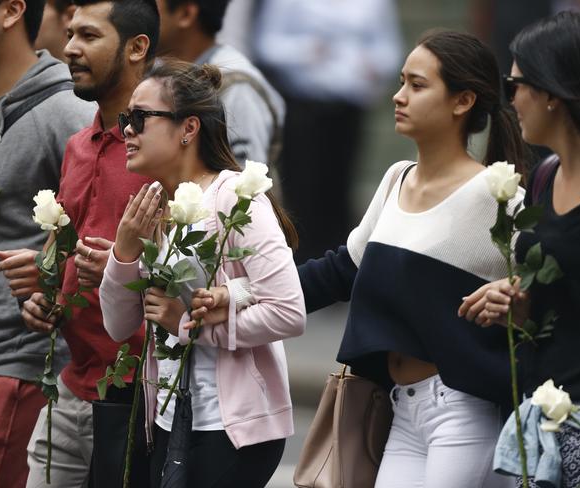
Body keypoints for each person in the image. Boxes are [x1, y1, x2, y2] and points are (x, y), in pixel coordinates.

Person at [193, 30, 531, 487]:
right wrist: (237, 294)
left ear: (462, 101)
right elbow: (338, 273)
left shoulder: (497, 195)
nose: (398, 96)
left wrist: (517, 297)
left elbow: (551, 291)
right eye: (400, 81)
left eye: (417, 85)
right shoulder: (396, 178)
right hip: (397, 407)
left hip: (463, 409)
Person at [99, 59, 305, 488]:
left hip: (232, 429)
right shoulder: (153, 203)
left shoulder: (234, 197)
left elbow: (289, 311)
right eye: (125, 119)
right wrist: (123, 251)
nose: (127, 131)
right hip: (171, 418)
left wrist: (188, 325)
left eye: (140, 118)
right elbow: (119, 325)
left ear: (188, 128)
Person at [0, 0, 94, 487]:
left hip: (17, 356)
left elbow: (105, 230)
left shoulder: (70, 113)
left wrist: (54, 273)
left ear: (11, 10)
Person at [15, 0, 159, 485]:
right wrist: (46, 297)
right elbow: (67, 258)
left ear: (138, 47)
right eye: (71, 34)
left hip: (142, 396)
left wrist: (127, 274)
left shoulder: (169, 149)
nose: (69, 49)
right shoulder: (78, 145)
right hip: (72, 386)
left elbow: (205, 269)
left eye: (89, 36)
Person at [459, 11, 580, 487]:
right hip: (547, 415)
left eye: (515, 83)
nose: (509, 98)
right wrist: (519, 305)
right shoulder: (544, 176)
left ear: (552, 92)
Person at [253, 0, 403, 263]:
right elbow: (266, 44)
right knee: (302, 185)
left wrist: (373, 65)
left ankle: (338, 261)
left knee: (341, 184)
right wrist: (305, 51)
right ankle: (298, 262)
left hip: (349, 106)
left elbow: (390, 50)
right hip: (302, 105)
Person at [154, 0, 285, 166]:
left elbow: (247, 187)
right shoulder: (153, 74)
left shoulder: (237, 87)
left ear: (186, 14)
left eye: (151, 5)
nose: (140, 11)